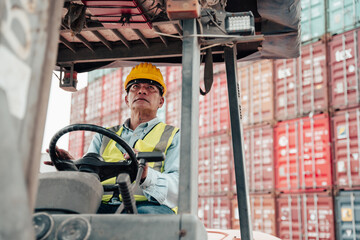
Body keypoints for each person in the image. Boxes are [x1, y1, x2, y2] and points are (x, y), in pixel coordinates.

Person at [52, 63, 180, 214]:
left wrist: (146, 175)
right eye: (135, 86)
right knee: (60, 213)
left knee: (144, 220)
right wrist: (73, 167)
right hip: (102, 204)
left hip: (148, 206)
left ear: (161, 101)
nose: (142, 91)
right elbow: (90, 178)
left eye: (150, 87)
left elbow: (179, 188)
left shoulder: (173, 135)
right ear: (127, 99)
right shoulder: (103, 135)